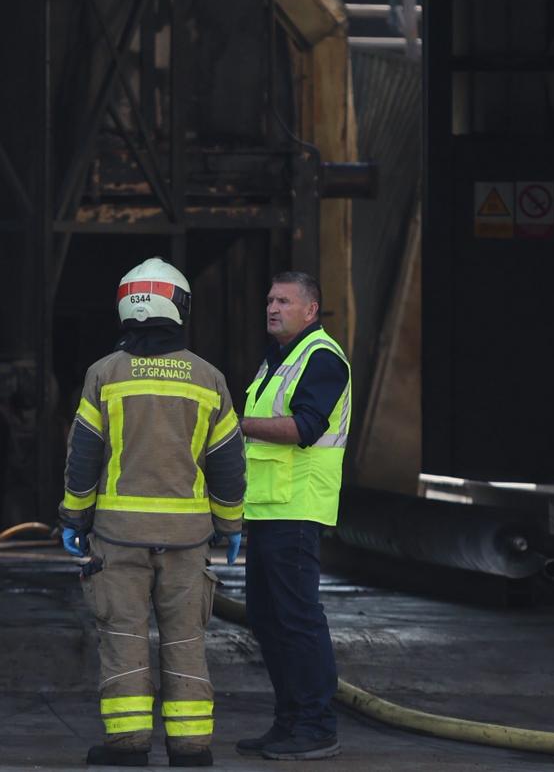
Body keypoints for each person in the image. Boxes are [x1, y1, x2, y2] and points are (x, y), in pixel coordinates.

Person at [60, 257, 247, 768]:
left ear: (125, 306)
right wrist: (230, 525)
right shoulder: (208, 378)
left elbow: (84, 457)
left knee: (123, 636)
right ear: (180, 306)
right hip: (188, 540)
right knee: (186, 639)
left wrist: (74, 518)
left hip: (118, 538)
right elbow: (228, 464)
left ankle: (128, 745)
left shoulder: (105, 374)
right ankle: (191, 748)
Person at [237, 271, 350, 762]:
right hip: (266, 509)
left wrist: (234, 422)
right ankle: (288, 723)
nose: (272, 307)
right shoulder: (275, 360)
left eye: (283, 300)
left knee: (298, 619)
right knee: (268, 619)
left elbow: (305, 427)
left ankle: (318, 725)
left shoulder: (321, 357)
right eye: (268, 299)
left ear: (311, 309)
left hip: (297, 508)